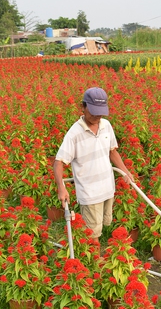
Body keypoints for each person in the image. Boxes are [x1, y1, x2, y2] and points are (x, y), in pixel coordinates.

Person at [53, 87, 134, 239]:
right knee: (92, 234)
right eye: (93, 111)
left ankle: (96, 255)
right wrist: (61, 188)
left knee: (103, 224)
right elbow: (58, 162)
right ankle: (95, 261)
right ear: (82, 107)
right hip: (90, 193)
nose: (97, 116)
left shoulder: (106, 126)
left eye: (100, 112)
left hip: (108, 188)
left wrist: (125, 171)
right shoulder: (74, 134)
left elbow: (112, 151)